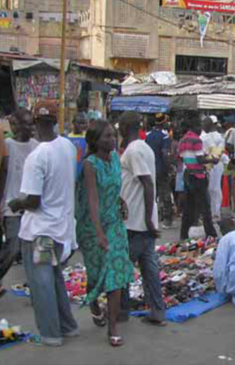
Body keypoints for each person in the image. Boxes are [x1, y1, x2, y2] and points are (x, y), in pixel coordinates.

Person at [8, 100, 78, 346]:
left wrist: (17, 203)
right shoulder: (67, 147)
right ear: (57, 122)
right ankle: (68, 326)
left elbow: (33, 201)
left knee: (42, 283)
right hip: (60, 230)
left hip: (40, 233)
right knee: (55, 278)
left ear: (36, 123)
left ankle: (50, 334)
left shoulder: (37, 157)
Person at [76, 120, 135, 347]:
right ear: (95, 140)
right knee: (95, 274)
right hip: (92, 227)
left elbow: (112, 187)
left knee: (116, 275)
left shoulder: (116, 161)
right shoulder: (90, 164)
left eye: (114, 135)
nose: (112, 140)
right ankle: (93, 304)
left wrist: (121, 202)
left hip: (116, 224)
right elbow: (92, 200)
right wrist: (99, 233)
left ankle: (112, 328)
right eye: (107, 136)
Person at [118, 111, 167, 327]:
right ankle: (157, 310)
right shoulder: (143, 148)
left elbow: (147, 183)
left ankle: (121, 311)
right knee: (149, 269)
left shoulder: (134, 150)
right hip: (141, 220)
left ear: (123, 127)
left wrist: (147, 219)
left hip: (135, 222)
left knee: (122, 268)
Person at [0, 109, 39, 295]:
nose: (17, 128)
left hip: (32, 204)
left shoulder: (36, 146)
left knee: (35, 247)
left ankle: (36, 283)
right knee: (13, 246)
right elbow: (2, 173)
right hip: (11, 203)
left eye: (28, 124)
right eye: (15, 124)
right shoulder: (7, 145)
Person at [178, 118, 218, 240]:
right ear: (195, 126)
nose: (201, 130)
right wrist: (212, 159)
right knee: (205, 208)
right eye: (199, 127)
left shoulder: (183, 140)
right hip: (198, 176)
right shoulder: (196, 140)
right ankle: (211, 234)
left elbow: (180, 158)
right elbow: (200, 160)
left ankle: (183, 235)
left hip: (187, 174)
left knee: (188, 208)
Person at [145, 113, 174, 229]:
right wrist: (169, 167)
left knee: (153, 194)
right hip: (161, 169)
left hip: (150, 168)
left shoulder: (148, 136)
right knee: (165, 193)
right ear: (163, 123)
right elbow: (165, 153)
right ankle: (167, 219)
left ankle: (152, 217)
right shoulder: (164, 136)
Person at [201, 117, 227, 221]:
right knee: (215, 189)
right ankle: (215, 212)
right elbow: (220, 152)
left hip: (210, 164)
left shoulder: (206, 137)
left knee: (212, 189)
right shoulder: (219, 137)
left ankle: (214, 212)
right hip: (214, 164)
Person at [67, 112, 89, 181]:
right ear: (73, 123)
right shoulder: (67, 138)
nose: (82, 126)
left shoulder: (88, 138)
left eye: (84, 123)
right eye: (79, 123)